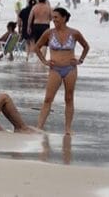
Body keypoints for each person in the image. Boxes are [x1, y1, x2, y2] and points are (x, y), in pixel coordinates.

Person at [35, 7, 90, 135]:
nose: (53, 20)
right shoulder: (49, 33)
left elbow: (86, 46)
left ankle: (68, 128)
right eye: (52, 18)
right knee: (48, 99)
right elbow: (37, 47)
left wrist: (80, 60)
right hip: (55, 69)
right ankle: (39, 127)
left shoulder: (74, 33)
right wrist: (44, 61)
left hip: (70, 69)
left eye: (56, 17)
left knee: (69, 98)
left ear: (64, 18)